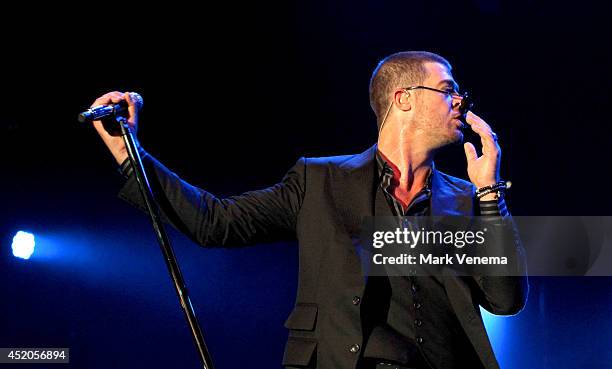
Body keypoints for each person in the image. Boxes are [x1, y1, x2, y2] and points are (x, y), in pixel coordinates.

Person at [91, 51, 528, 369]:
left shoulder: (469, 201)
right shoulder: (320, 181)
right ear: (404, 98)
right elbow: (214, 222)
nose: (461, 102)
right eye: (448, 90)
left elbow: (505, 300)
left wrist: (490, 191)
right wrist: (129, 153)